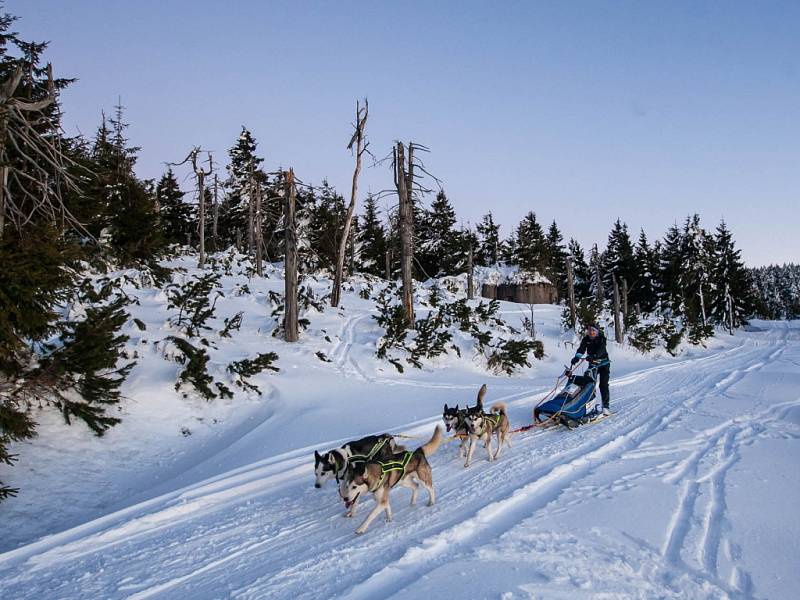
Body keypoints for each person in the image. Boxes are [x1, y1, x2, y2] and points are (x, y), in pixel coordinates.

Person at [569, 323, 611, 416]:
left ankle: (606, 407)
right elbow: (581, 349)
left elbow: (601, 350)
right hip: (592, 365)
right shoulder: (586, 339)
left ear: (596, 331)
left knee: (603, 385)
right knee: (588, 383)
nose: (591, 332)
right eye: (589, 330)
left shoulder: (601, 339)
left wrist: (594, 356)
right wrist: (576, 357)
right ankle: (587, 406)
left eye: (593, 330)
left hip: (604, 364)